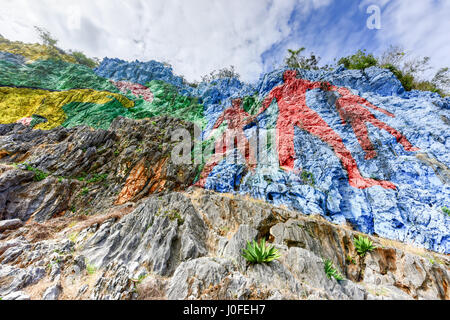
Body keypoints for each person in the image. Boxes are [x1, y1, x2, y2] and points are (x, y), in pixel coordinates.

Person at [258, 70, 416, 190]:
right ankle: (288, 169)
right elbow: (263, 105)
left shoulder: (300, 83)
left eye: (293, 73)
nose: (291, 75)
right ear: (286, 76)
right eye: (289, 74)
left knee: (333, 138)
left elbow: (317, 85)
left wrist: (329, 86)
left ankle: (354, 174)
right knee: (284, 142)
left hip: (301, 111)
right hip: (287, 115)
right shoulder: (279, 89)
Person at [195, 98, 256, 187]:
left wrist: (251, 118)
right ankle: (205, 177)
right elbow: (219, 121)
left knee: (246, 150)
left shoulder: (242, 113)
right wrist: (212, 132)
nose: (236, 104)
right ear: (233, 103)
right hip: (230, 133)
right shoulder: (230, 111)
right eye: (235, 102)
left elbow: (250, 119)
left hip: (237, 133)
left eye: (238, 103)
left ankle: (250, 170)